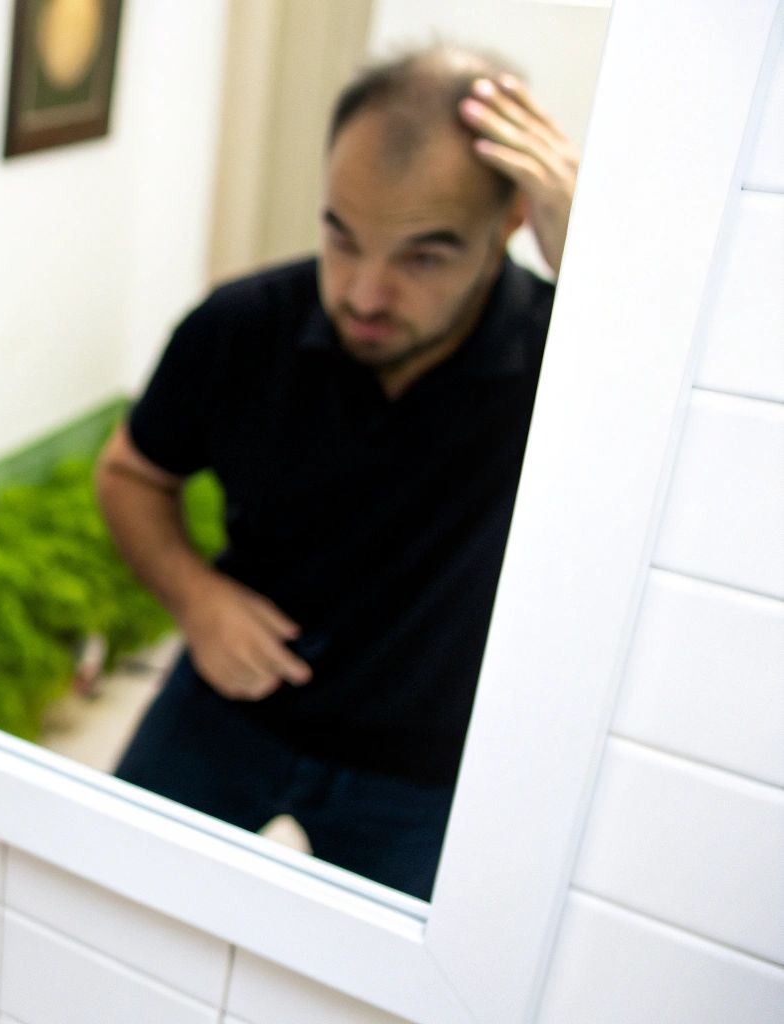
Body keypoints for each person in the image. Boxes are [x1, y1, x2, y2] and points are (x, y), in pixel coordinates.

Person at [98, 48, 579, 900]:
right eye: (341, 236)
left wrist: (605, 271)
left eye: (422, 256)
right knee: (106, 906)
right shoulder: (240, 327)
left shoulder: (572, 357)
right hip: (227, 706)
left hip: (427, 762)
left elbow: (721, 451)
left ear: (508, 224)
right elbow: (132, 475)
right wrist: (195, 599)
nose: (363, 292)